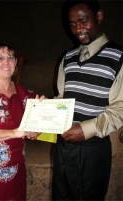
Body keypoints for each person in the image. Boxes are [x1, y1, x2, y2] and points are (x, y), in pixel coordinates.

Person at [52, 0, 123, 200]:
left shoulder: (119, 58)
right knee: (61, 196)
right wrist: (44, 113)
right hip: (63, 145)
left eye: (83, 21)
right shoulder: (67, 58)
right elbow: (61, 98)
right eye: (72, 24)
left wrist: (86, 130)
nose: (77, 29)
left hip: (93, 147)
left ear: (98, 16)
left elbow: (121, 108)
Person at [0, 42, 44, 200]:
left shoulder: (27, 95)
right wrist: (15, 132)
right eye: (0, 58)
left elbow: (33, 131)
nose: (6, 62)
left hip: (17, 168)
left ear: (16, 63)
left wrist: (39, 123)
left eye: (10, 58)